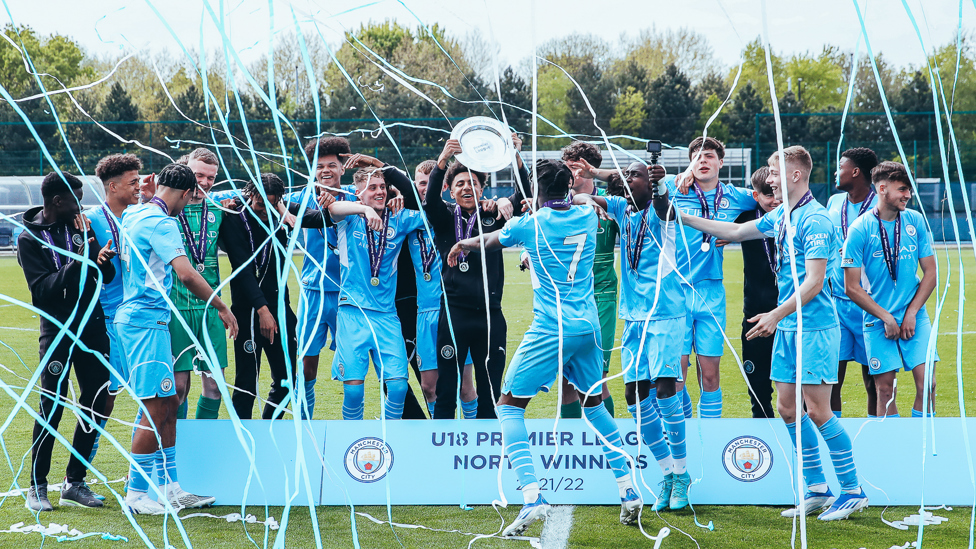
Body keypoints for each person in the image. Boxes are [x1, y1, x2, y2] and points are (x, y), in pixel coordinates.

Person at [447, 159, 640, 534]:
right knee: (594, 405)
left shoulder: (529, 224)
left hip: (552, 328)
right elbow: (590, 202)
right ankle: (628, 488)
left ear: (537, 188)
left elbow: (490, 239)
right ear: (568, 186)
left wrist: (462, 242)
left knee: (508, 407)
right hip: (588, 326)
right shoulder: (587, 215)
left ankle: (532, 496)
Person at [678, 146, 868, 521]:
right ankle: (816, 488)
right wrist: (681, 216)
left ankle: (853, 489)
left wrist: (775, 315)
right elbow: (734, 230)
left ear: (795, 175)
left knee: (818, 410)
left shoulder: (815, 220)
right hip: (787, 326)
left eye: (774, 172)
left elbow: (814, 282)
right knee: (786, 408)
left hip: (812, 328)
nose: (769, 179)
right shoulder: (782, 215)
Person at [570, 159, 694, 513]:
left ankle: (682, 473)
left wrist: (660, 186)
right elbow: (591, 199)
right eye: (624, 176)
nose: (627, 181)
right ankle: (667, 472)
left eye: (635, 175)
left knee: (666, 388)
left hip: (666, 313)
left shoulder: (663, 208)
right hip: (634, 317)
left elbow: (664, 206)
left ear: (651, 183)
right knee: (633, 396)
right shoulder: (623, 208)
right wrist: (587, 191)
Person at [116, 163, 238, 514]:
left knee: (168, 403)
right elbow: (185, 274)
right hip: (145, 322)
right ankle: (136, 495)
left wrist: (149, 196)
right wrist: (220, 305)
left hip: (145, 319)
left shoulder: (136, 214)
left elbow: (143, 213)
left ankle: (171, 488)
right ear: (186, 194)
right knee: (154, 409)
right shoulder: (163, 222)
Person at [19, 172, 116, 511]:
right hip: (58, 329)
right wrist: (82, 259)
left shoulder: (81, 226)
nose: (82, 206)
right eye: (76, 199)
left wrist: (100, 258)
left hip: (93, 324)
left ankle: (74, 482)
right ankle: (37, 485)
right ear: (57, 201)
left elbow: (104, 276)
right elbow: (42, 292)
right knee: (52, 404)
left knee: (95, 400)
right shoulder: (28, 238)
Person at [420, 135, 528, 420]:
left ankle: (484, 458)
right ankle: (442, 452)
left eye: (473, 183)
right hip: (453, 316)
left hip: (490, 317)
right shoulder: (443, 217)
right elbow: (429, 199)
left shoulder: (496, 216)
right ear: (451, 191)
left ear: (482, 189)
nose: (467, 187)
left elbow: (525, 194)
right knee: (446, 391)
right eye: (460, 184)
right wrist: (442, 160)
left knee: (490, 392)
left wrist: (516, 155)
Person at [222, 174, 331, 419]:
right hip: (248, 311)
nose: (266, 210)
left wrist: (342, 204)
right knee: (246, 385)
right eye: (261, 204)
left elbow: (322, 218)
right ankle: (244, 443)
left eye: (273, 204)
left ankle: (267, 427)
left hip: (280, 308)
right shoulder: (234, 217)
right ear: (250, 195)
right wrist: (262, 311)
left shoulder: (283, 213)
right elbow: (243, 271)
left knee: (288, 380)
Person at [667, 137, 758, 418]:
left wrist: (736, 225)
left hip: (710, 292)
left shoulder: (738, 196)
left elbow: (769, 199)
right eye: (696, 157)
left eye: (709, 156)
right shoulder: (673, 188)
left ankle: (710, 432)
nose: (703, 161)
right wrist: (678, 176)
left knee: (710, 375)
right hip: (674, 291)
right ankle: (682, 433)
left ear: (721, 162)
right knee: (676, 376)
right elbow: (639, 184)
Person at [328, 167, 426, 420]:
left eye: (382, 187)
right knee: (352, 392)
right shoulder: (350, 216)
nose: (380, 191)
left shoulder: (399, 217)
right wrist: (364, 208)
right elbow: (333, 210)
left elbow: (429, 212)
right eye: (373, 188)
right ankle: (352, 439)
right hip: (352, 313)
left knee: (398, 387)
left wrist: (400, 193)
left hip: (386, 315)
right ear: (359, 193)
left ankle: (389, 435)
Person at [842, 161, 938, 418]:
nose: (908, 195)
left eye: (909, 190)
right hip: (877, 320)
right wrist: (886, 317)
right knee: (885, 391)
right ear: (882, 188)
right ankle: (890, 451)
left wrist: (911, 313)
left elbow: (931, 274)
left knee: (927, 385)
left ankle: (922, 447)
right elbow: (851, 288)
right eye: (903, 189)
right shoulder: (860, 229)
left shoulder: (914, 221)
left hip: (915, 316)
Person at [86, 154, 143, 471]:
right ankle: (82, 468)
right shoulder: (90, 219)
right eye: (133, 181)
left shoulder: (142, 216)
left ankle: (142, 468)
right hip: (109, 321)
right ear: (113, 186)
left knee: (153, 395)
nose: (138, 186)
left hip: (143, 317)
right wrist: (100, 257)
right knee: (105, 398)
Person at [289, 136, 353, 420]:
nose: (325, 170)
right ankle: (305, 427)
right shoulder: (301, 198)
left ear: (342, 168)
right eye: (319, 166)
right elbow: (273, 203)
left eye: (332, 165)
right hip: (312, 292)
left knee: (354, 368)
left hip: (349, 294)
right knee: (305, 367)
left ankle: (351, 429)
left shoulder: (355, 196)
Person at [557, 141, 618, 419]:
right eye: (570, 168)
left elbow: (633, 184)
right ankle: (571, 449)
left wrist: (599, 173)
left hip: (602, 296)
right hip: (567, 298)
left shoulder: (612, 199)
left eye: (579, 169)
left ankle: (607, 445)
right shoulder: (557, 202)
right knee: (567, 382)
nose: (573, 175)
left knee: (596, 380)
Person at [170, 148, 228, 420]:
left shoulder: (220, 209)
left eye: (211, 178)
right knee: (178, 387)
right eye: (199, 175)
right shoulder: (165, 211)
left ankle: (204, 448)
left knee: (215, 385)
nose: (205, 182)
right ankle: (176, 445)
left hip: (211, 309)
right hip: (176, 307)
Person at [826, 148, 879, 417]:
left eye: (841, 167)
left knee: (874, 381)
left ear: (856, 171)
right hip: (837, 303)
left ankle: (878, 436)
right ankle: (834, 437)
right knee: (832, 379)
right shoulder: (834, 203)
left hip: (870, 303)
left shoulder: (882, 204)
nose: (836, 172)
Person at [733, 167, 781, 418]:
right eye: (768, 194)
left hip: (789, 313)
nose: (774, 200)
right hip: (754, 312)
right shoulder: (743, 219)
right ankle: (764, 433)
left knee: (794, 384)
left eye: (777, 192)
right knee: (758, 384)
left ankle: (798, 438)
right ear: (755, 195)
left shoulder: (795, 217)